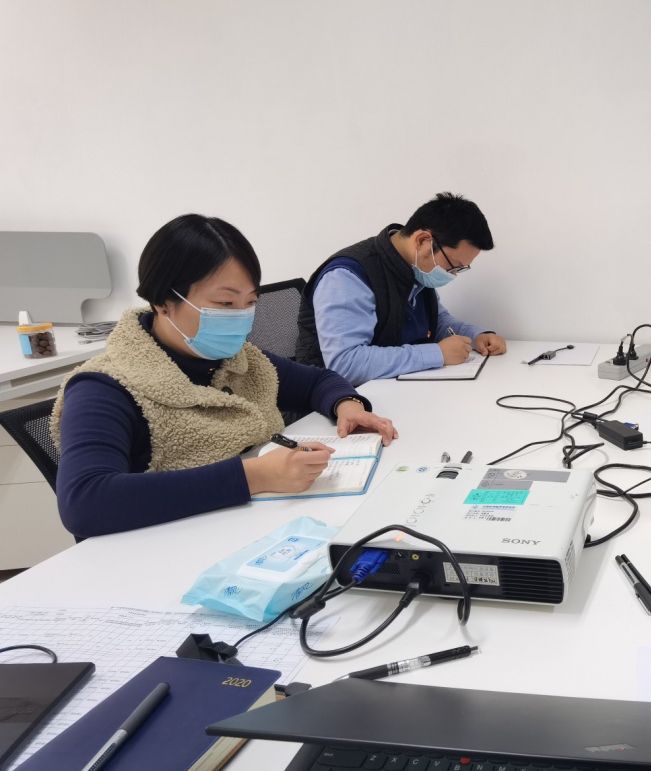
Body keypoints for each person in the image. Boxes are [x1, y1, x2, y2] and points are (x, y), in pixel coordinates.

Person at [52, 215, 398, 539]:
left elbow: (316, 382)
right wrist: (256, 475)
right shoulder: (104, 387)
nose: (242, 318)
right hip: (170, 547)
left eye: (250, 303)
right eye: (225, 304)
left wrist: (346, 405)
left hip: (250, 527)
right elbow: (84, 501)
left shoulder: (238, 359)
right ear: (162, 301)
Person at [295, 193, 505, 385]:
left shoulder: (415, 269)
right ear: (422, 240)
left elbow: (438, 322)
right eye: (453, 265)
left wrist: (476, 336)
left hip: (392, 390)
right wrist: (437, 354)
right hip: (334, 400)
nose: (453, 274)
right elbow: (346, 364)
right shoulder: (346, 277)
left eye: (461, 269)